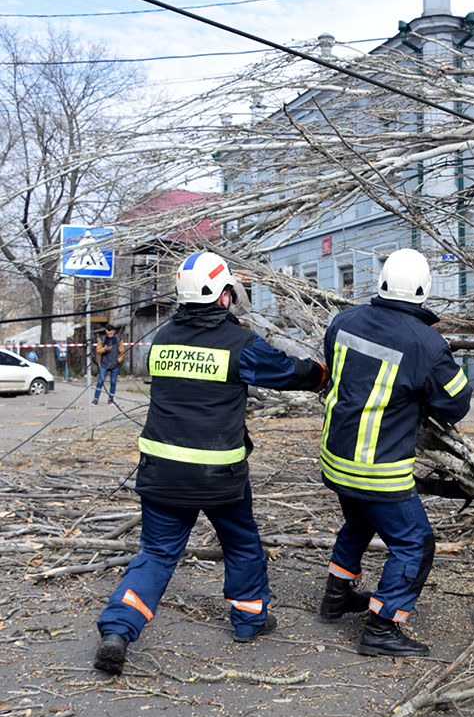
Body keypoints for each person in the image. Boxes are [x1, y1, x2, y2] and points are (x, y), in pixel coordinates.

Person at [93, 252, 327, 675]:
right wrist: (324, 375)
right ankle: (250, 619)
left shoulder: (163, 339)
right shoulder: (239, 345)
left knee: (158, 554)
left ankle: (118, 628)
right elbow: (292, 373)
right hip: (220, 477)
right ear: (223, 295)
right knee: (240, 543)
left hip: (161, 471)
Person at [318, 248, 471, 657]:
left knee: (359, 521)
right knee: (415, 544)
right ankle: (382, 627)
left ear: (382, 282)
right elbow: (457, 402)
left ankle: (336, 595)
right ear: (424, 291)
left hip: (335, 458)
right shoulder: (426, 341)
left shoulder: (343, 321)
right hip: (379, 469)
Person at [93, 323, 125, 405]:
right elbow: (98, 350)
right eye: (108, 333)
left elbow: (122, 352)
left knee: (113, 382)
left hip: (114, 364)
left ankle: (111, 399)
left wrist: (118, 360)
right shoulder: (102, 339)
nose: (109, 335)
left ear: (114, 331)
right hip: (104, 364)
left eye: (111, 333)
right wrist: (104, 349)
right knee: (100, 381)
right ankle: (95, 399)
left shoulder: (118, 339)